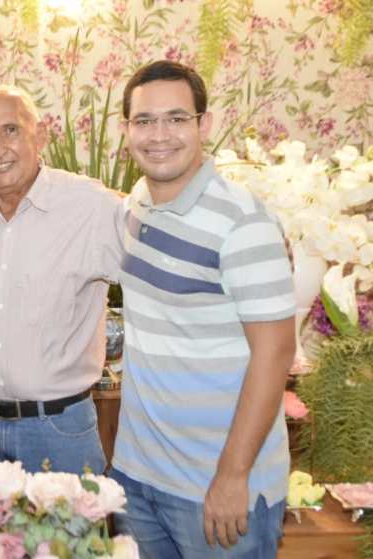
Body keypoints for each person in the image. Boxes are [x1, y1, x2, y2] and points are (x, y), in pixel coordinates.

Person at [110, 60, 296, 558]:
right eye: (144, 121)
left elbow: (276, 353)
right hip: (137, 477)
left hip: (216, 489)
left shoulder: (243, 222)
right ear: (126, 130)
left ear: (203, 124)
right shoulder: (137, 204)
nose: (159, 135)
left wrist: (233, 475)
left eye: (176, 118)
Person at [0, 85, 123, 475]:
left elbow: (157, 271)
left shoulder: (90, 206)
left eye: (10, 130)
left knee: (75, 520)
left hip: (59, 432)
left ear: (40, 135)